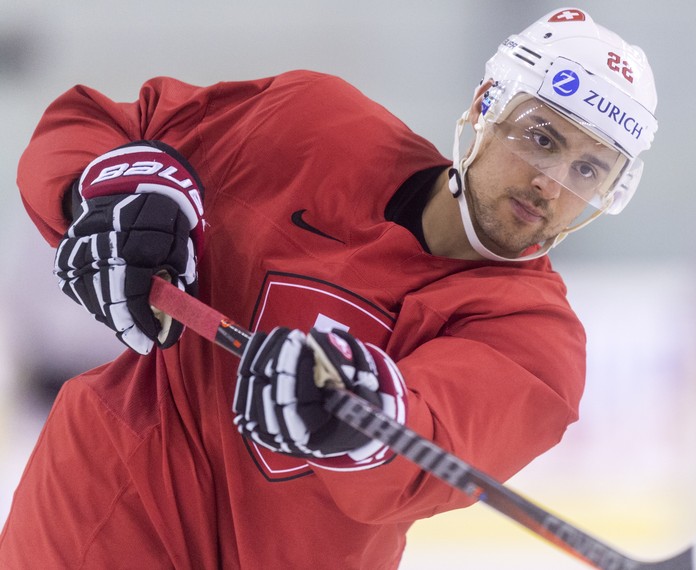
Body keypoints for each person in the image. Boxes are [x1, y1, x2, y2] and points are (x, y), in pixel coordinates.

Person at [0, 6, 657, 568]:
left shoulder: (537, 342)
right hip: (101, 514)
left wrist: (359, 404)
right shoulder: (309, 125)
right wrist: (111, 196)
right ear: (486, 104)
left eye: (589, 170)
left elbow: (424, 443)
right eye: (540, 138)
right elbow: (93, 126)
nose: (553, 184)